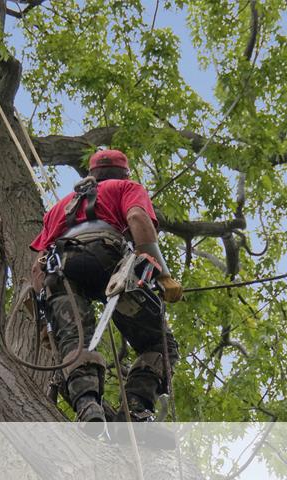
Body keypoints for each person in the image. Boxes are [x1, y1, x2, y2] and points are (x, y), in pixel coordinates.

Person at [30, 149, 183, 424]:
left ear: (92, 175)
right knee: (160, 344)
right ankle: (135, 409)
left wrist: (45, 320)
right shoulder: (126, 187)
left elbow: (36, 269)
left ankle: (87, 406)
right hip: (108, 264)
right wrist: (163, 275)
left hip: (60, 272)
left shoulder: (58, 208)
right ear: (124, 173)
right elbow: (137, 219)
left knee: (74, 343)